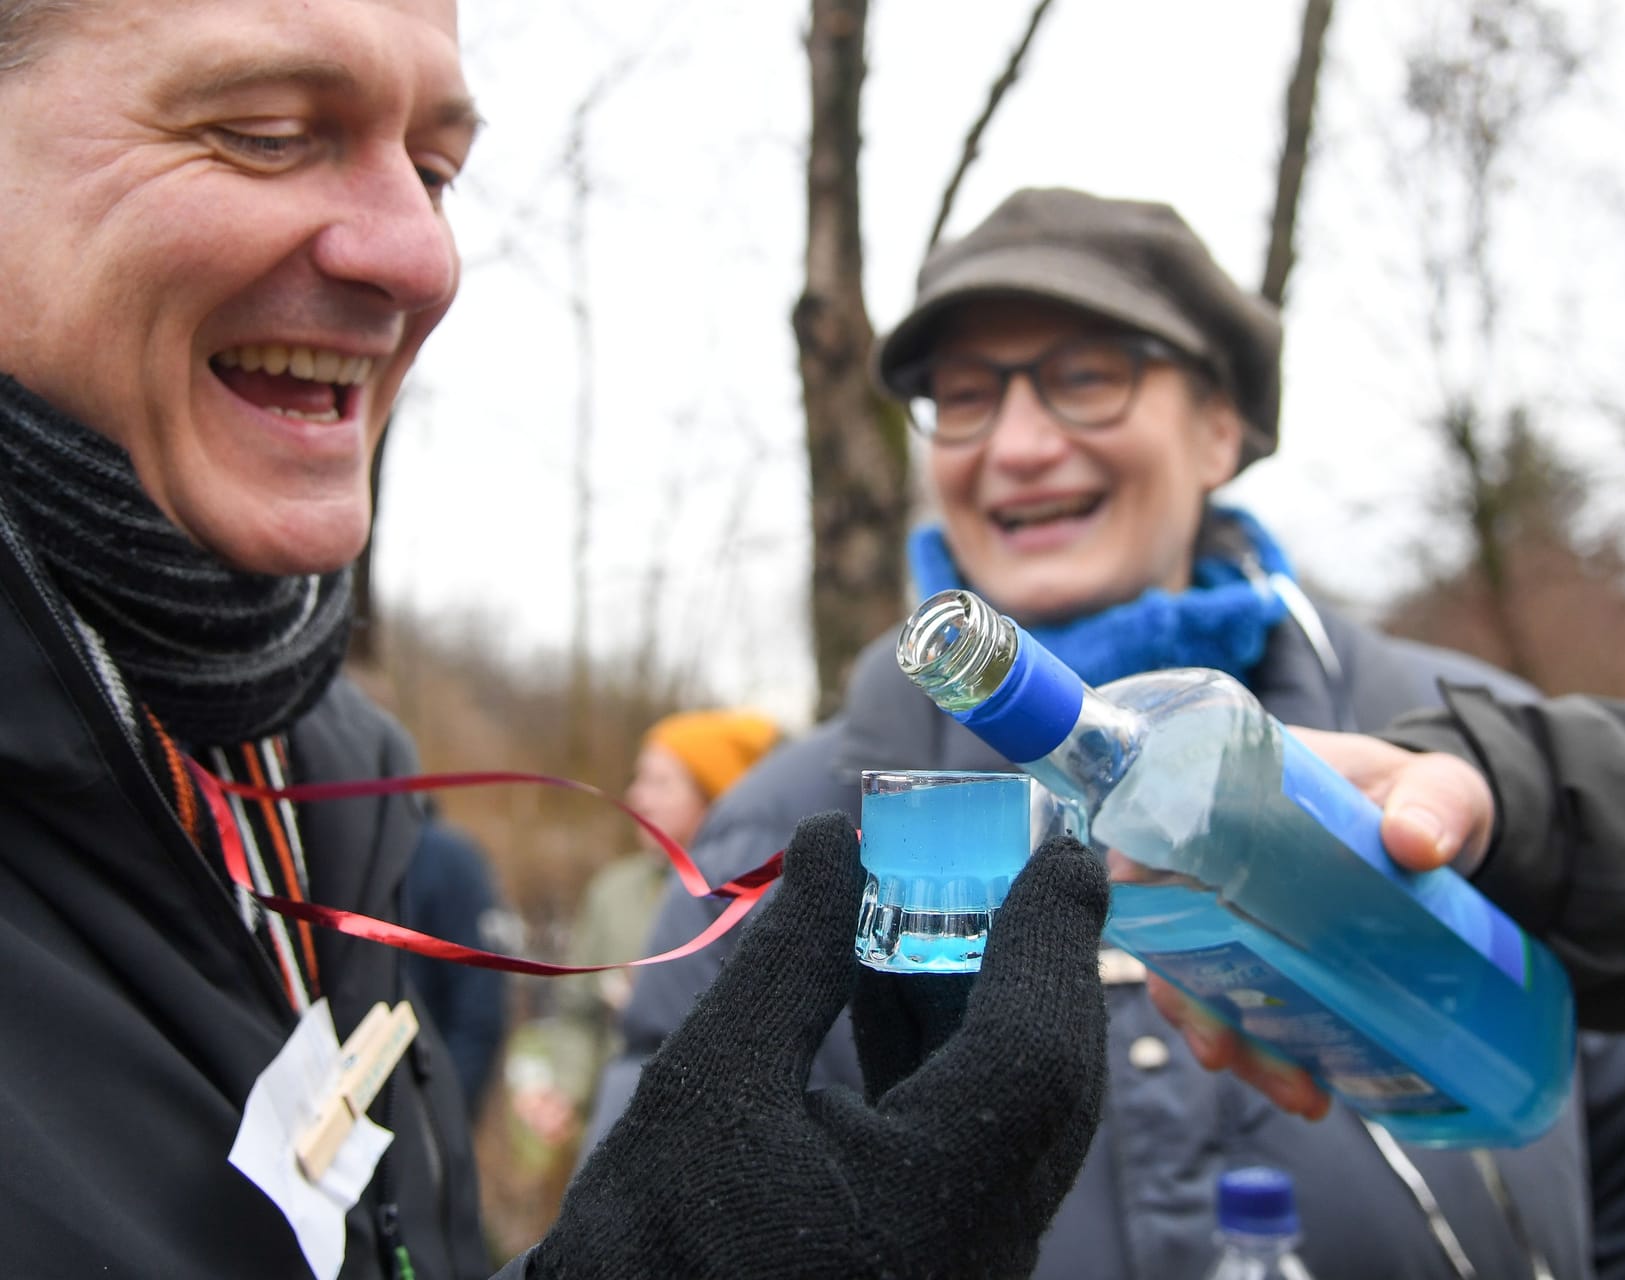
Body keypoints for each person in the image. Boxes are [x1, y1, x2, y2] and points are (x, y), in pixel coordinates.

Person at [0, 4, 1110, 1276]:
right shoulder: (789, 801)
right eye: (262, 134)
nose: (424, 257)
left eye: (434, 170)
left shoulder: (333, 782)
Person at [601, 187, 1625, 1279]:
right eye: (964, 398)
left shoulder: (1477, 764)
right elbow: (654, 1195)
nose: (1018, 444)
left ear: (1222, 428)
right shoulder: (792, 824)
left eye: (1087, 374)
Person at [1161, 689, 1625, 1132]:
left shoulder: (1436, 690)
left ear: (1223, 427)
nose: (1035, 448)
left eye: (1085, 399)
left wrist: (1530, 823)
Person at [523, 709, 781, 1147]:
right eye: (638, 779)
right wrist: (565, 1088)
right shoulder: (613, 891)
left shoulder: (761, 896)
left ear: (713, 795)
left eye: (660, 783)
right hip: (615, 1138)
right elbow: (579, 1015)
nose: (637, 797)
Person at [401, 806, 514, 1121]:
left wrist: (445, 1118)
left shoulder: (447, 861)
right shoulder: (333, 852)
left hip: (426, 1110)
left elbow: (480, 1006)